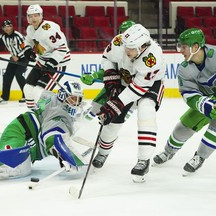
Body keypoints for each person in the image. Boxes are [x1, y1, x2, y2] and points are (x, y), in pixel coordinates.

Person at [0, 80, 87, 184]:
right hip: (21, 131)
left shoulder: (51, 96)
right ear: (63, 95)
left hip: (29, 141)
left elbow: (31, 89)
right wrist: (66, 157)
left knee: (18, 157)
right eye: (72, 98)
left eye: (78, 99)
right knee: (15, 162)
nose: (75, 103)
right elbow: (51, 138)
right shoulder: (59, 115)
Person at [90, 24, 165, 183]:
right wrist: (111, 82)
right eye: (126, 46)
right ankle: (103, 152)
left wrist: (114, 105)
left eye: (130, 48)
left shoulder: (152, 58)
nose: (126, 50)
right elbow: (107, 58)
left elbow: (137, 88)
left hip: (151, 84)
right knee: (114, 121)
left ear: (143, 46)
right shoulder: (120, 42)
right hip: (125, 81)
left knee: (146, 112)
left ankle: (143, 160)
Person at [153, 28, 216, 175]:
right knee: (182, 128)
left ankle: (199, 157)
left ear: (195, 46)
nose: (181, 50)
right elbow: (188, 93)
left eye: (184, 46)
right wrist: (204, 104)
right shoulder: (184, 69)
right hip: (206, 101)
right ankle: (168, 152)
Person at [80, 20, 136, 121]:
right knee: (98, 103)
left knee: (119, 116)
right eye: (123, 33)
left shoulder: (144, 54)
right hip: (118, 85)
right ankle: (84, 124)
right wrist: (94, 76)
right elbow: (108, 69)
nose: (125, 37)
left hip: (133, 90)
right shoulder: (117, 48)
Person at [23, 4, 71, 109]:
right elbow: (28, 40)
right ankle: (33, 113)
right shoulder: (30, 29)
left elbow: (62, 48)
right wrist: (27, 50)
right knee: (27, 88)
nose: (33, 18)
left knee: (38, 92)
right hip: (42, 61)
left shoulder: (49, 29)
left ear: (41, 16)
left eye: (36, 15)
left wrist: (51, 63)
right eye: (30, 16)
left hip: (57, 63)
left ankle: (46, 114)